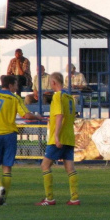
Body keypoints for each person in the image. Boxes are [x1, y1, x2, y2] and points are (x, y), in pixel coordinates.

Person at [0, 75, 43, 206]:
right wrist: (39, 117)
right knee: (7, 167)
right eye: (16, 84)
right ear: (11, 85)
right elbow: (26, 115)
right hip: (10, 136)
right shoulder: (15, 98)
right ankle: (3, 199)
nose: (17, 87)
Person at [35, 72, 82, 206]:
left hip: (59, 138)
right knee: (70, 168)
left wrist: (56, 136)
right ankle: (74, 198)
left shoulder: (58, 97)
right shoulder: (69, 97)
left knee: (45, 165)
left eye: (51, 82)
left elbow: (60, 115)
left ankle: (49, 198)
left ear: (54, 82)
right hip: (69, 136)